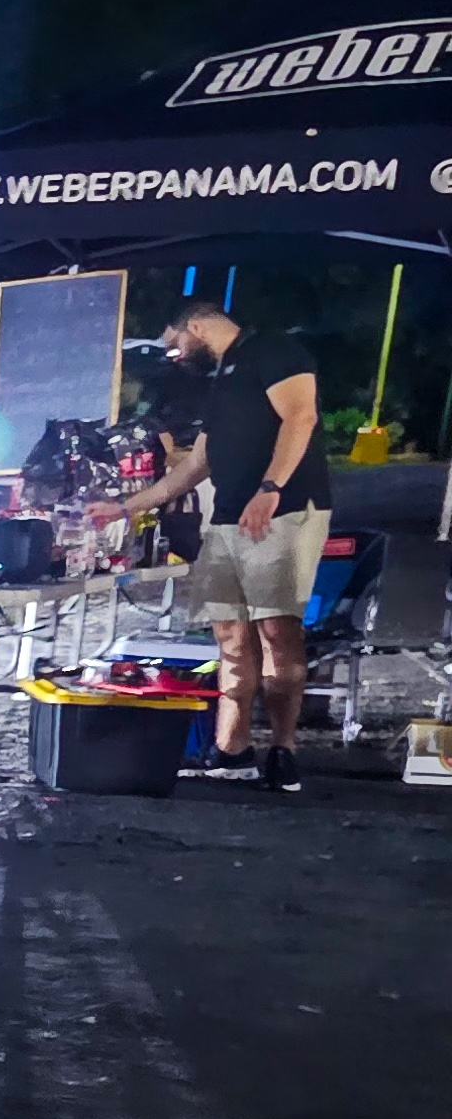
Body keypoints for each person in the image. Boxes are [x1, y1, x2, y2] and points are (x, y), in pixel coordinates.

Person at [96, 298, 328, 789]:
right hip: (226, 519)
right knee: (230, 638)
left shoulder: (274, 350)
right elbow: (196, 464)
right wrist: (125, 508)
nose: (175, 353)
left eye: (176, 342)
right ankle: (231, 749)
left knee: (275, 633)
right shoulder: (219, 380)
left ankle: (283, 749)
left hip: (281, 512)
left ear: (197, 327)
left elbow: (300, 417)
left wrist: (271, 490)